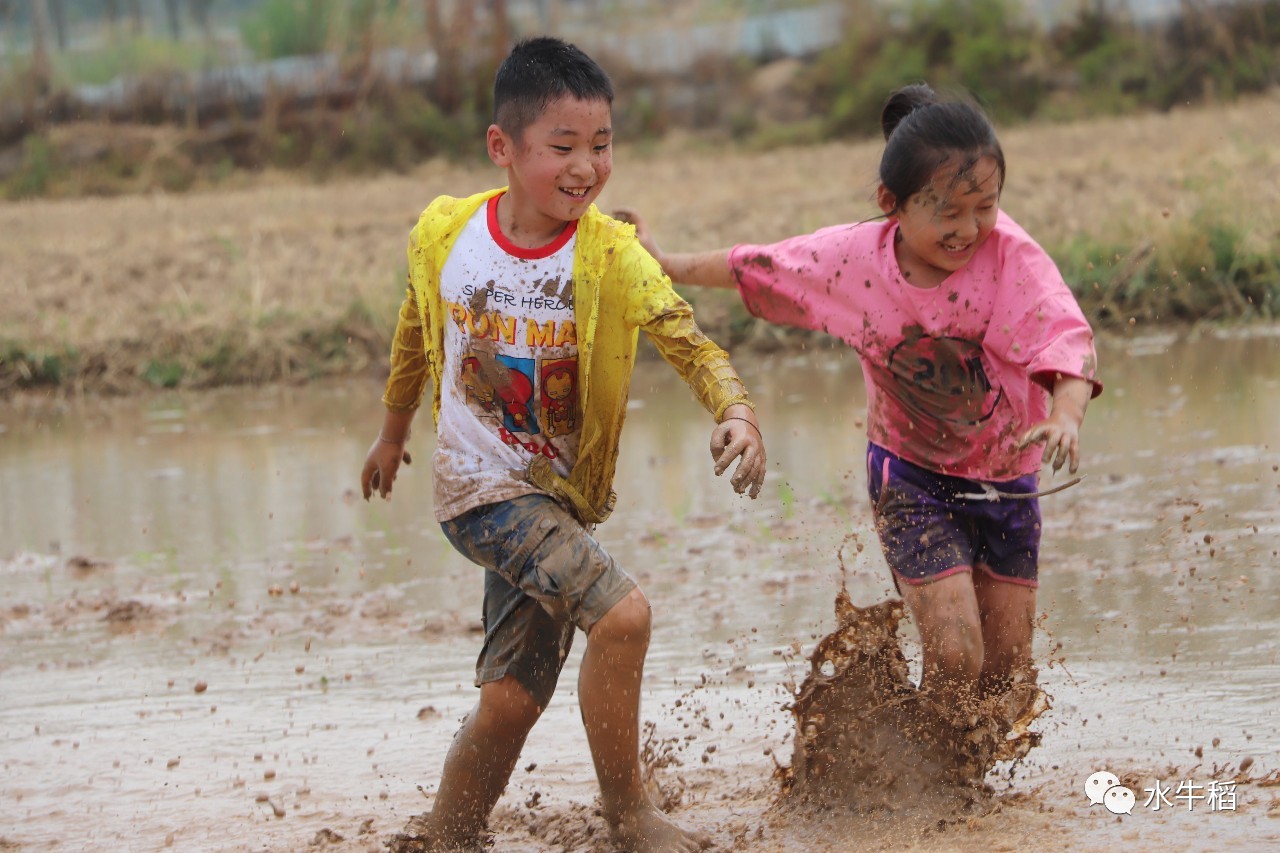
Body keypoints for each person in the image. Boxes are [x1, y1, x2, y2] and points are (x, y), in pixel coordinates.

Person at [360, 36, 765, 853]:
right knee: (623, 616)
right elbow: (415, 330)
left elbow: (685, 337)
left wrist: (737, 410)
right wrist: (393, 432)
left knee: (510, 698)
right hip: (476, 491)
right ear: (502, 148)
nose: (587, 168)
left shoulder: (610, 252)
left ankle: (446, 837)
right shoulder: (446, 234)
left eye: (603, 146)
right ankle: (629, 819)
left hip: (552, 497)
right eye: (564, 148)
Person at [619, 83, 1100, 711]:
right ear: (891, 204)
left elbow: (1065, 334)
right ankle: (933, 795)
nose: (969, 229)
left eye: (985, 206)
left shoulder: (1012, 258)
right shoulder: (853, 261)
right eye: (948, 212)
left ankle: (955, 785)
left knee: (1007, 677)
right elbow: (761, 266)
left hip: (1008, 481)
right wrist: (664, 261)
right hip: (913, 477)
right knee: (957, 655)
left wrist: (1065, 413)